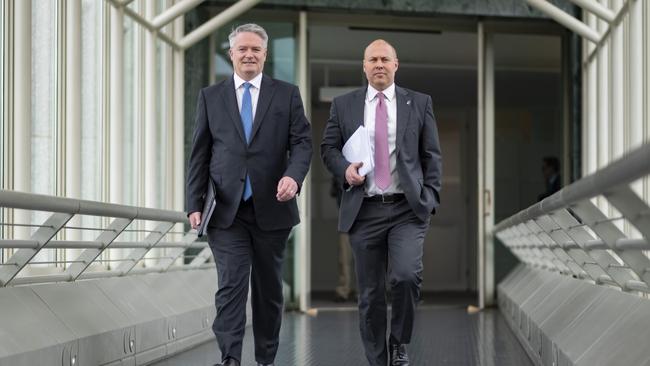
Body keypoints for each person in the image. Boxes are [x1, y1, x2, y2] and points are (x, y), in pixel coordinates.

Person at [186, 23, 312, 366]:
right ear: (232, 54)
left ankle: (266, 359)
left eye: (256, 49)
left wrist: (293, 177)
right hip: (226, 211)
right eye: (242, 49)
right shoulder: (211, 97)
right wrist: (193, 204)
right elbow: (199, 152)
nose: (249, 54)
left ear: (265, 55)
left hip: (273, 206)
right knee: (231, 285)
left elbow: (302, 144)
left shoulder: (286, 94)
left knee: (269, 289)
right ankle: (230, 358)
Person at [320, 39, 442, 366]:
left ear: (396, 64)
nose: (378, 65)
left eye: (384, 59)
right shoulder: (343, 105)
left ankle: (399, 342)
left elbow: (431, 154)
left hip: (407, 208)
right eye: (372, 59)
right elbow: (328, 149)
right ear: (363, 66)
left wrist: (430, 197)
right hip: (365, 209)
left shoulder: (418, 102)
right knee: (371, 295)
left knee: (404, 276)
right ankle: (377, 360)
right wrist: (344, 170)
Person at [330, 176, 354, 302]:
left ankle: (365, 291)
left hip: (367, 217)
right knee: (344, 258)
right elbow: (334, 192)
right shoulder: (339, 168)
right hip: (345, 217)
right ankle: (344, 290)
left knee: (368, 258)